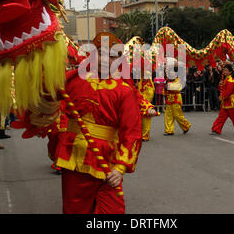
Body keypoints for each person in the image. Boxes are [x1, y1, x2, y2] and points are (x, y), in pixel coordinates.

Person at [54, 32, 143, 214]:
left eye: (111, 56)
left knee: (113, 211)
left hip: (107, 162)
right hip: (74, 156)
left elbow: (132, 132)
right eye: (101, 53)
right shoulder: (71, 80)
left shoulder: (125, 91)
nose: (105, 59)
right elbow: (47, 101)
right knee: (74, 209)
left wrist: (120, 168)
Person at [210, 64, 234, 135]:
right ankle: (216, 129)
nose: (224, 72)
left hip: (230, 102)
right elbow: (222, 89)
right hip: (225, 102)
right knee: (221, 117)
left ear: (230, 72)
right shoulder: (226, 79)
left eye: (226, 70)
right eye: (224, 70)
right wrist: (220, 86)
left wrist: (221, 96)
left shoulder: (231, 81)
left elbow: (228, 92)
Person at [163, 58, 191, 136]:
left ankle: (186, 126)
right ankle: (169, 130)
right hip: (169, 99)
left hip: (176, 98)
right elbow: (165, 90)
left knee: (178, 115)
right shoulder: (168, 80)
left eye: (172, 72)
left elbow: (178, 88)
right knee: (168, 115)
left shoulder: (177, 80)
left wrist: (167, 87)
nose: (171, 74)